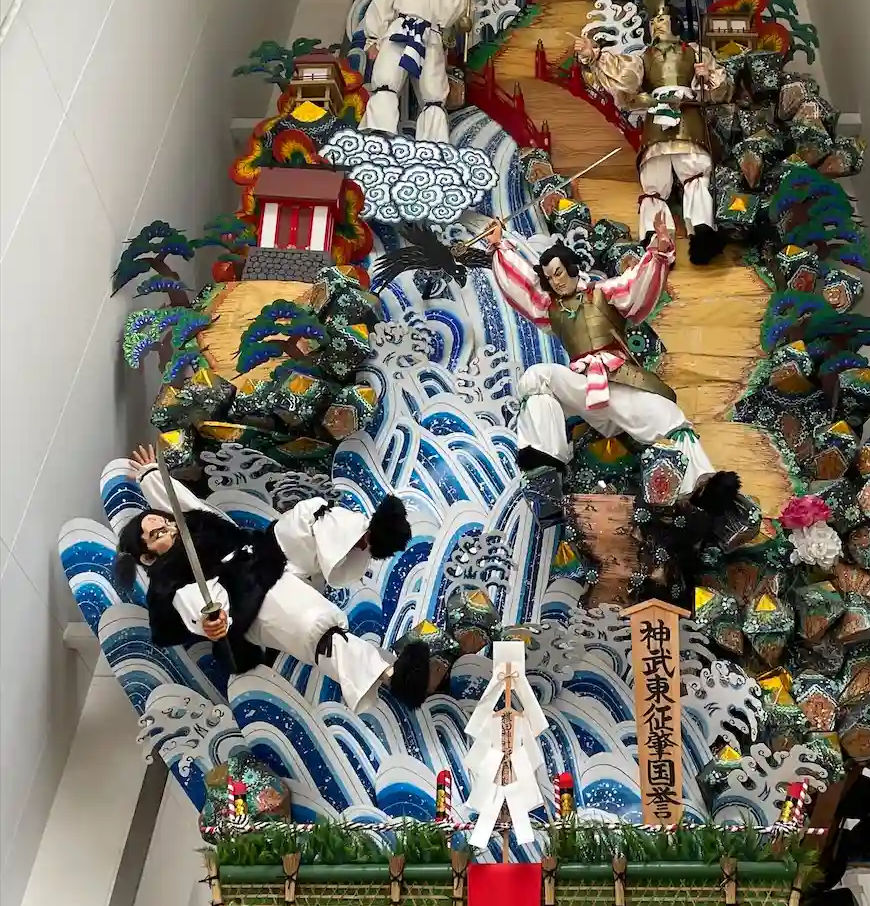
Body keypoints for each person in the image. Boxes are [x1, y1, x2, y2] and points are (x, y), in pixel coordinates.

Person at [115, 446, 435, 712]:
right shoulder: (173, 580)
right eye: (157, 535)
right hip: (250, 597)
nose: (169, 529)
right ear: (148, 557)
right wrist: (213, 622)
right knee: (314, 623)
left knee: (309, 514)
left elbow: (178, 500)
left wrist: (150, 476)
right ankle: (391, 675)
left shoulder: (194, 523)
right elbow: (202, 606)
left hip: (264, 553)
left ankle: (370, 538)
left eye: (166, 523)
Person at [483, 214, 738, 512]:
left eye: (559, 272)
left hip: (617, 381)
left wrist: (658, 251)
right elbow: (524, 287)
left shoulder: (604, 292)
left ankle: (702, 488)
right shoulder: (550, 308)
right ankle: (545, 467)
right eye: (550, 277)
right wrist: (501, 245)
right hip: (583, 386)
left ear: (573, 268)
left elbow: (636, 283)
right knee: (536, 377)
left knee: (668, 415)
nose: (556, 281)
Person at [575, 0, 732, 265]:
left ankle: (702, 232)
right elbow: (625, 79)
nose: (657, 25)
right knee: (654, 184)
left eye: (662, 19)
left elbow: (719, 90)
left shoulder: (696, 53)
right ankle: (655, 240)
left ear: (675, 22)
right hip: (657, 122)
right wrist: (594, 54)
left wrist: (705, 76)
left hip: (687, 116)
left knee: (695, 175)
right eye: (653, 21)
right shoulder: (643, 58)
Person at [360, 0, 471, 143]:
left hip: (430, 36)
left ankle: (434, 143)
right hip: (400, 31)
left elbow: (449, 14)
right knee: (387, 80)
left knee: (433, 90)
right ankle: (378, 134)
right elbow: (381, 5)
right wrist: (373, 38)